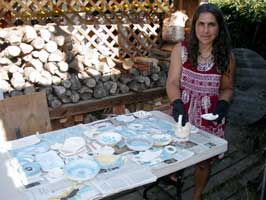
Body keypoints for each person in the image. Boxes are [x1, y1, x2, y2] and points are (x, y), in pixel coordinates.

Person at [166, 3, 235, 200]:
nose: (205, 30)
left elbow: (227, 88)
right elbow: (171, 82)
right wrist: (177, 104)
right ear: (194, 25)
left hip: (209, 117)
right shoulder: (181, 50)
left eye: (211, 25)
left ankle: (196, 195)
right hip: (183, 113)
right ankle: (173, 176)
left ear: (219, 28)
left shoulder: (227, 57)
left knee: (203, 162)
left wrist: (223, 105)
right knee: (174, 153)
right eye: (201, 24)